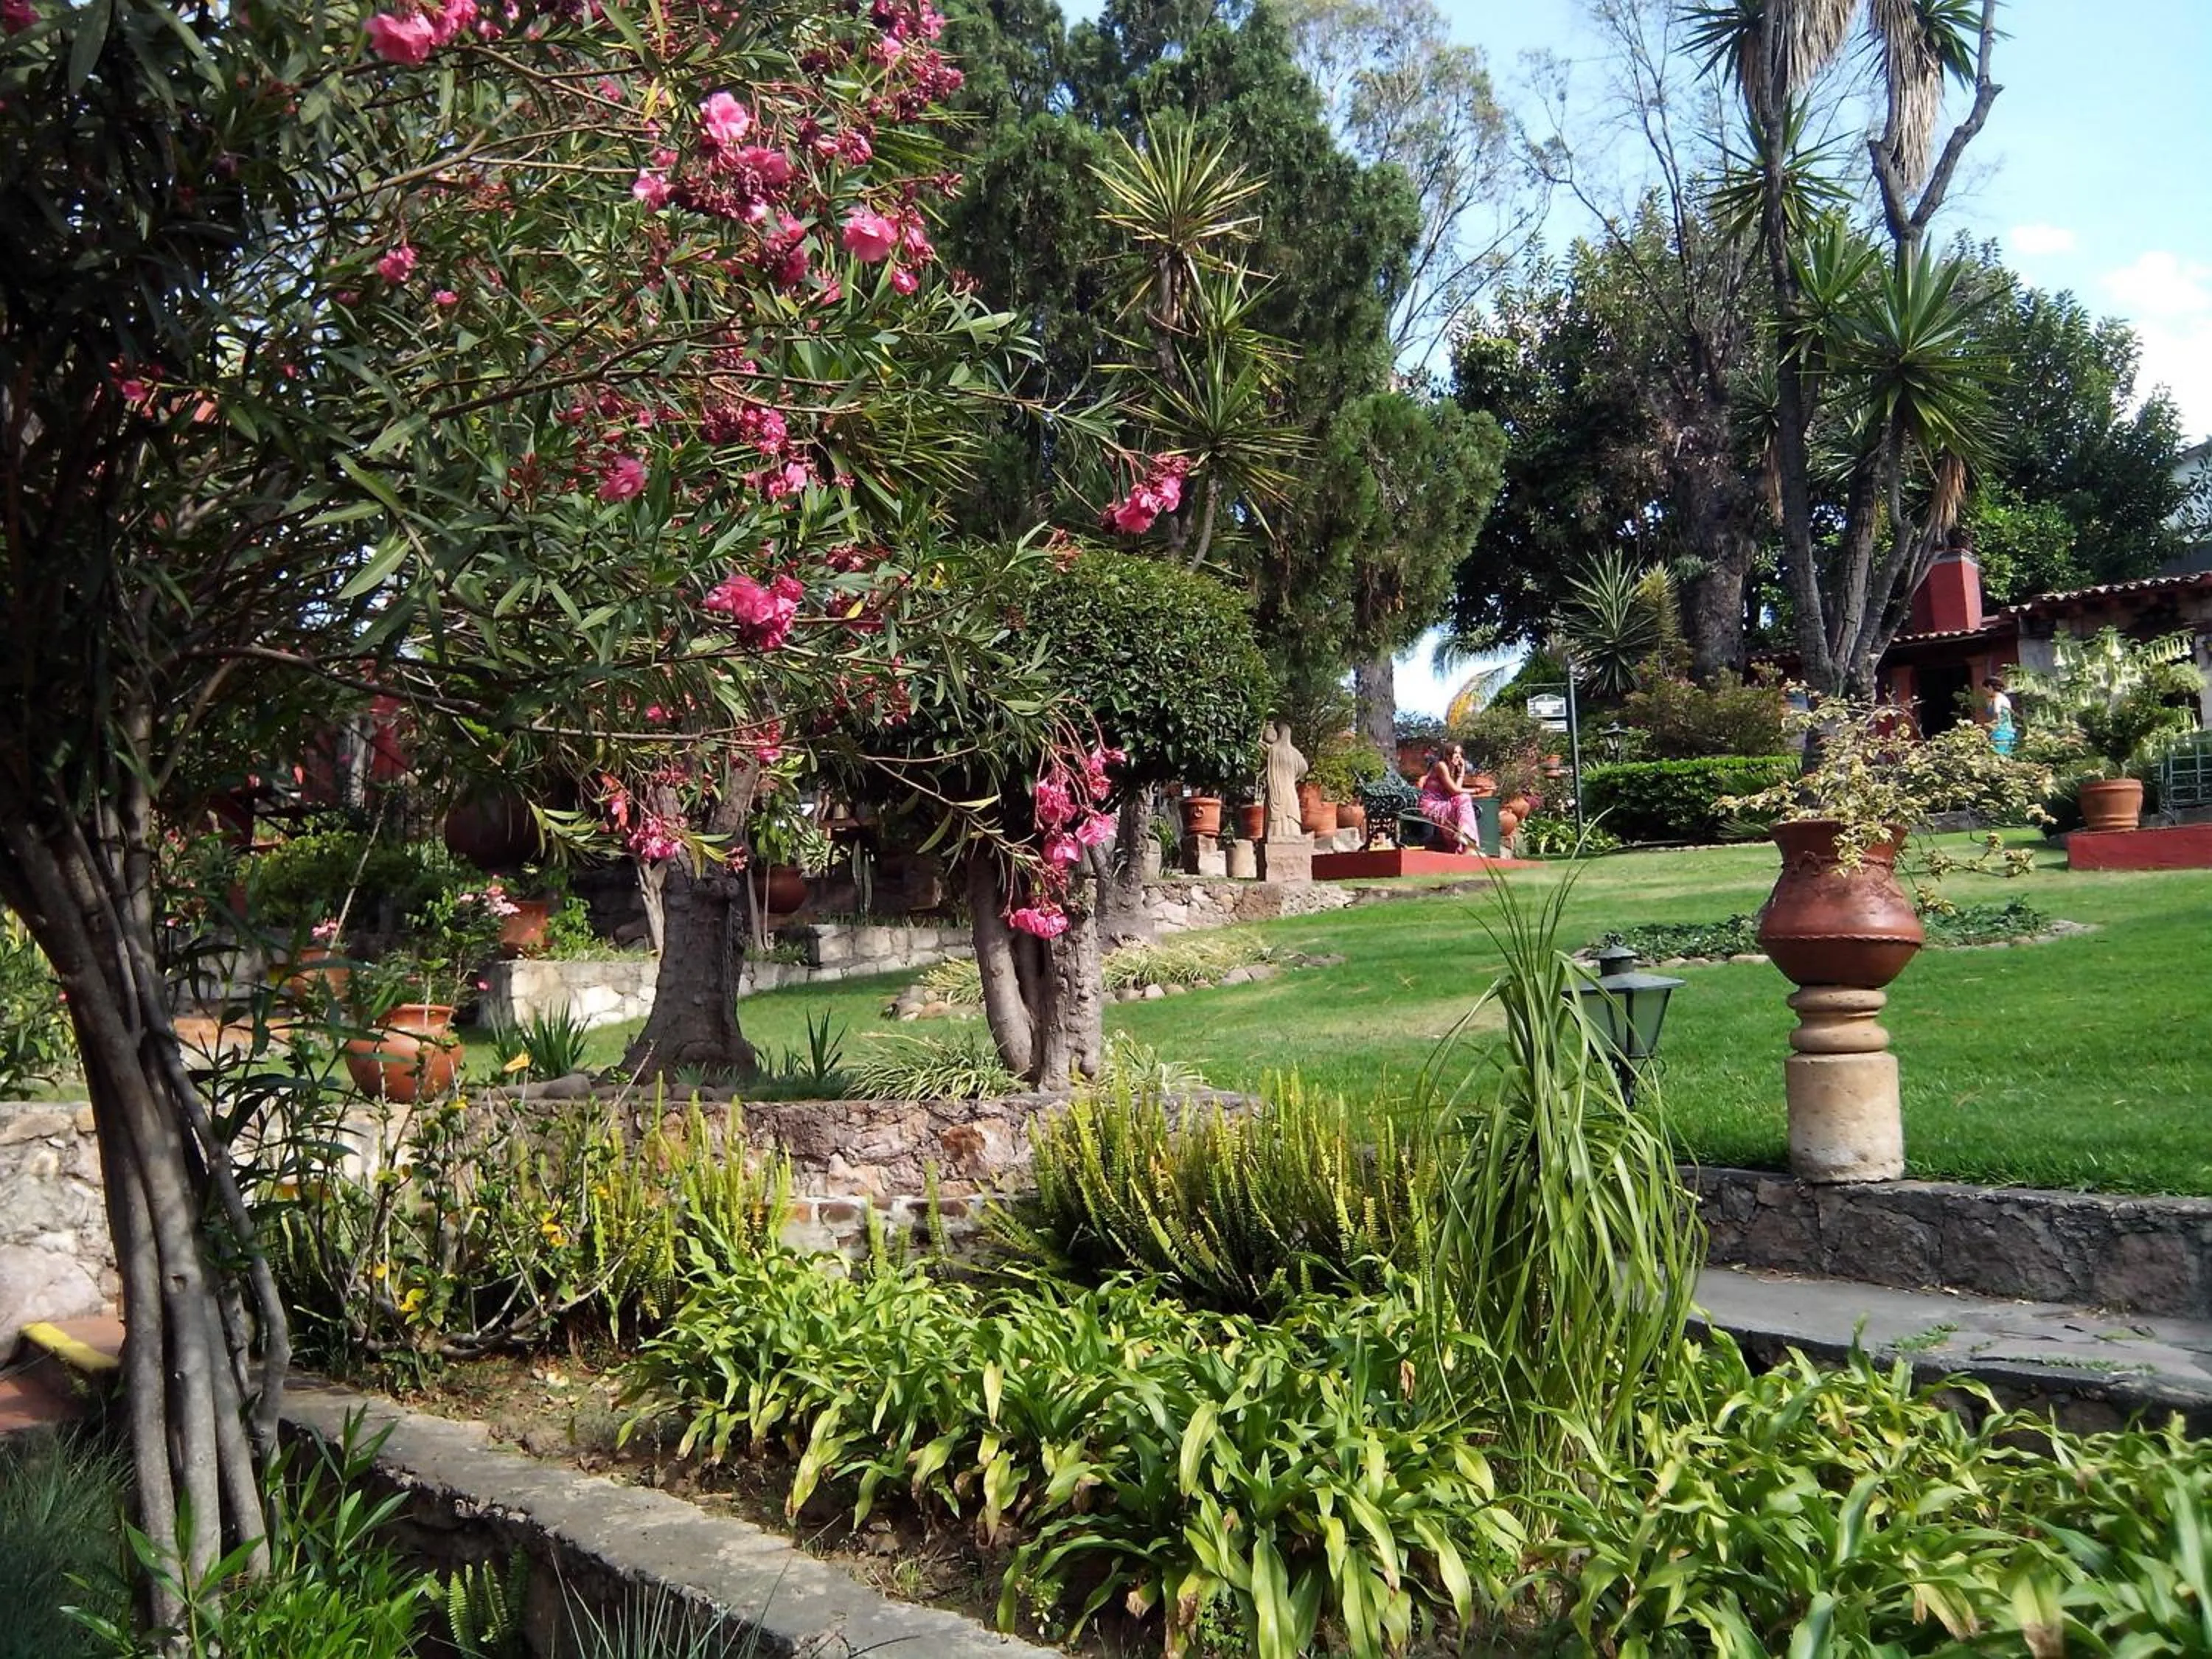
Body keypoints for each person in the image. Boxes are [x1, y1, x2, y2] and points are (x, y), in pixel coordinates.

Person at [1418, 743, 1484, 851]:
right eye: (1455, 753)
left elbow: (1456, 793)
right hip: (1431, 806)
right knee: (1465, 798)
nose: (1458, 757)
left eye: (1460, 754)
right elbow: (1454, 791)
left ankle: (1465, 838)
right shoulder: (1441, 766)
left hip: (1443, 805)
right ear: (1447, 755)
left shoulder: (1451, 771)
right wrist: (1477, 791)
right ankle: (1467, 842)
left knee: (1463, 799)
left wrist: (1461, 772)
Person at [1984, 675, 2017, 756]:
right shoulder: (2005, 699)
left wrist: (1987, 727)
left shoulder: (1997, 699)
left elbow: (1997, 717)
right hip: (2008, 732)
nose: (1986, 693)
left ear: (1990, 687)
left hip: (2000, 734)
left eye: (1986, 690)